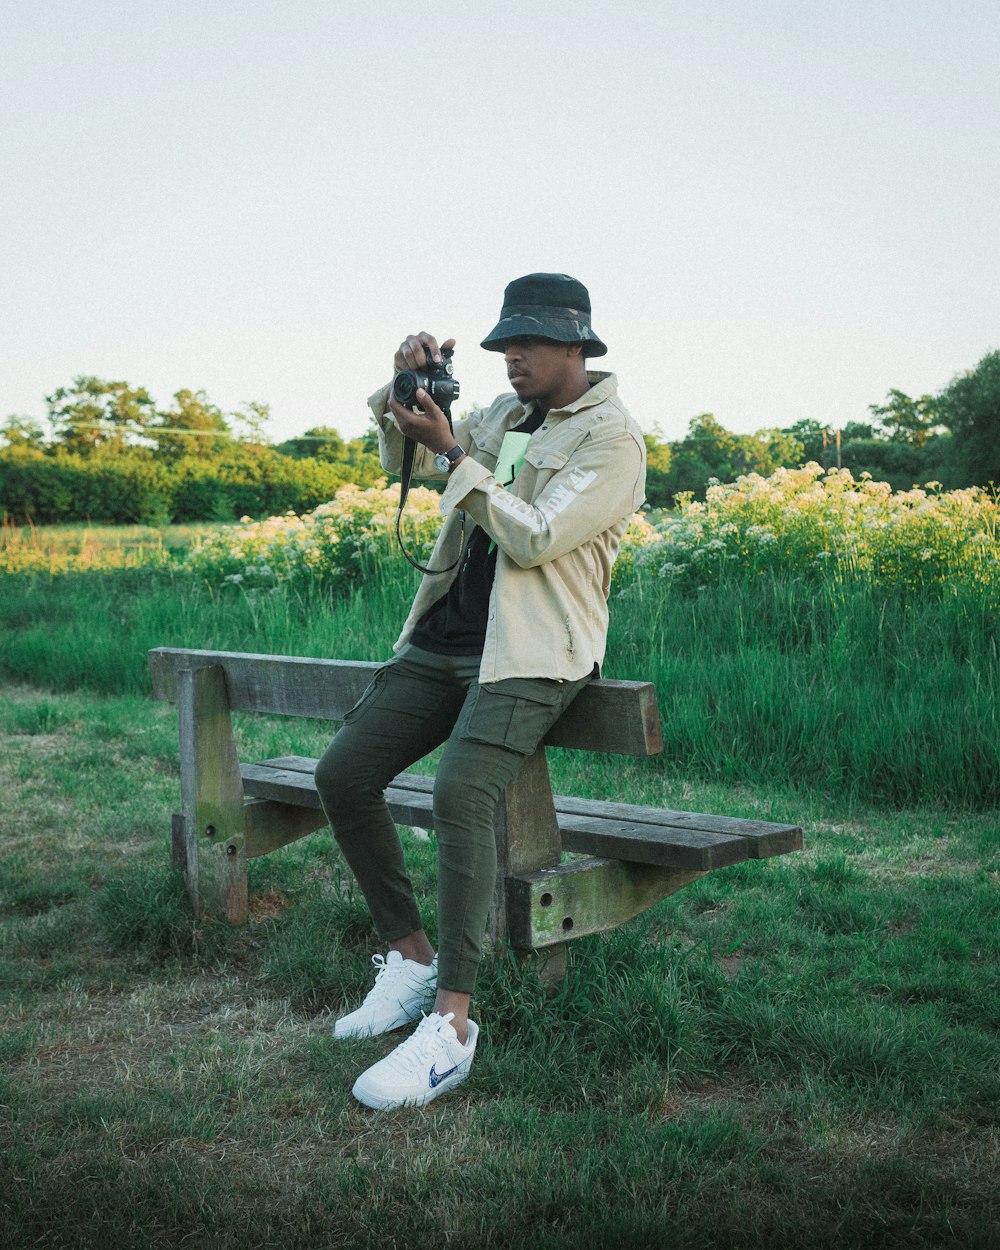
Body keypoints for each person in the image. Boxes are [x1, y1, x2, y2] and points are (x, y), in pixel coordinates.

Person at [314, 273, 646, 1109]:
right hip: (446, 636)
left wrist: (458, 452)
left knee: (462, 790)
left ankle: (453, 1026)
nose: (510, 358)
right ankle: (413, 960)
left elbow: (533, 539)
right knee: (343, 775)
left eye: (528, 343)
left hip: (534, 650)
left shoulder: (614, 442)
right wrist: (407, 398)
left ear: (578, 345)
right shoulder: (500, 418)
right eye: (502, 344)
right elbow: (412, 461)